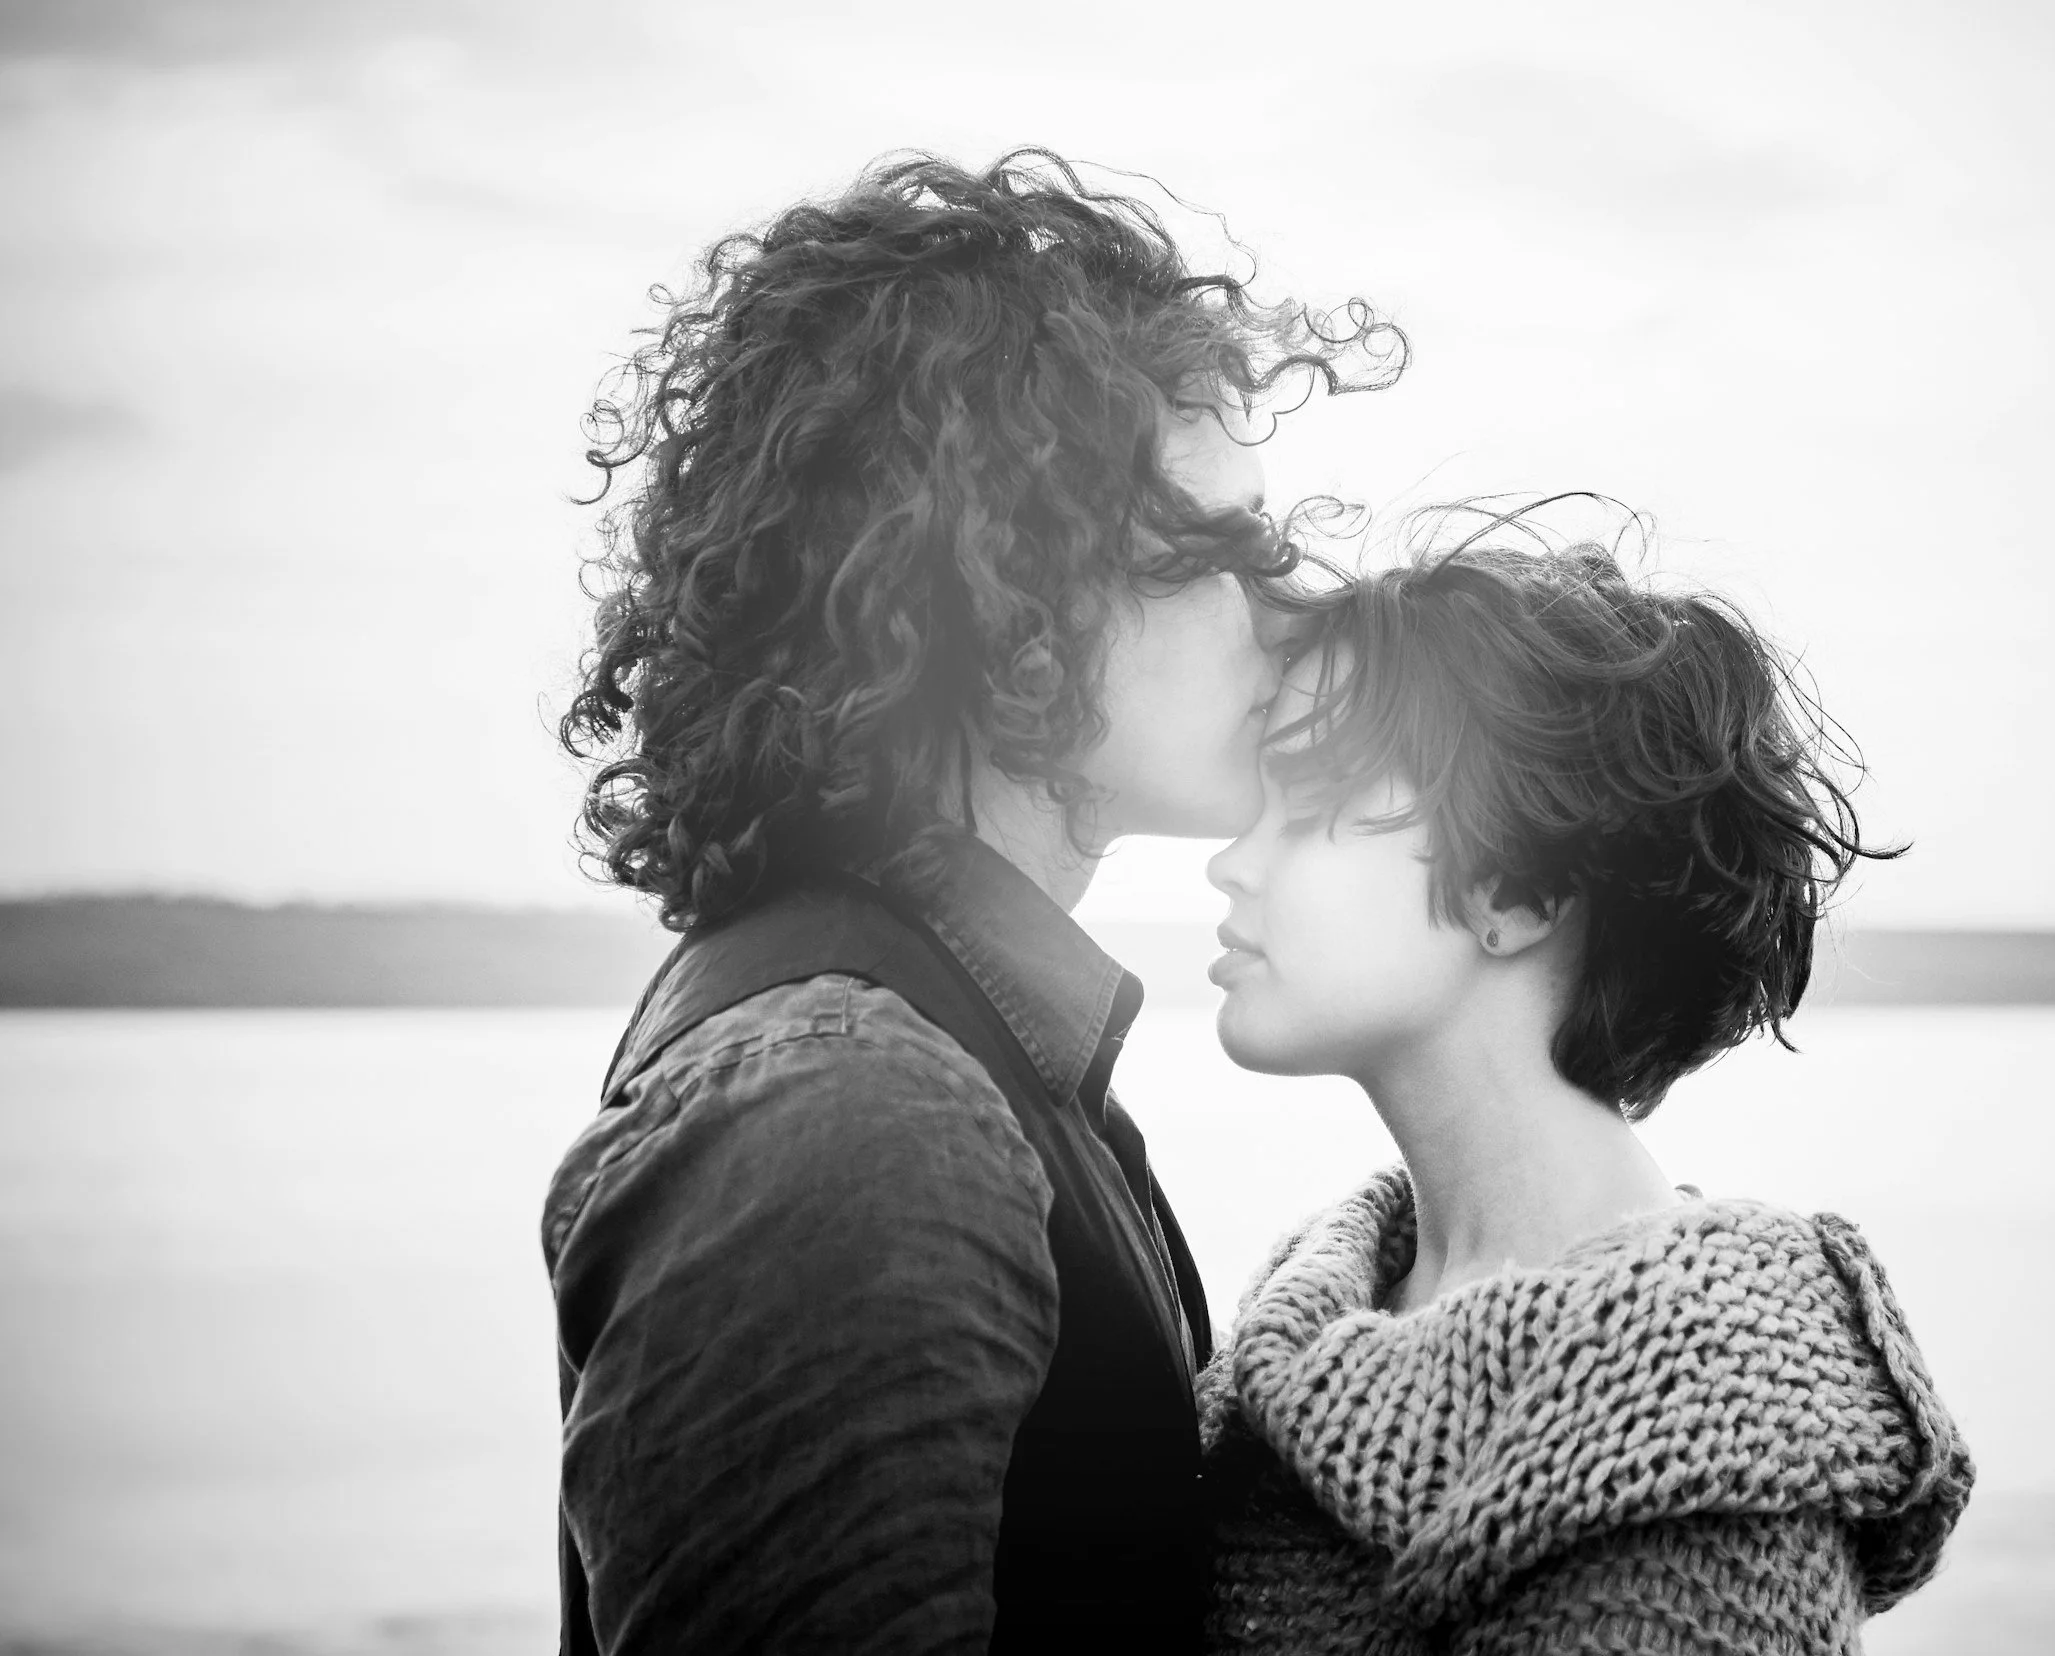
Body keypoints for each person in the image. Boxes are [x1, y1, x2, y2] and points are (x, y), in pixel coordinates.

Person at [541, 149, 1403, 1653]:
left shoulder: (940, 1049)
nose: (1291, 608)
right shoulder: (852, 1114)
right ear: (994, 578)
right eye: (1212, 551)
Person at [1197, 507, 1974, 1653]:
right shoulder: (1304, 1319)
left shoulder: (1703, 1458)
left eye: (1311, 807)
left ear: (1518, 891)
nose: (1232, 861)